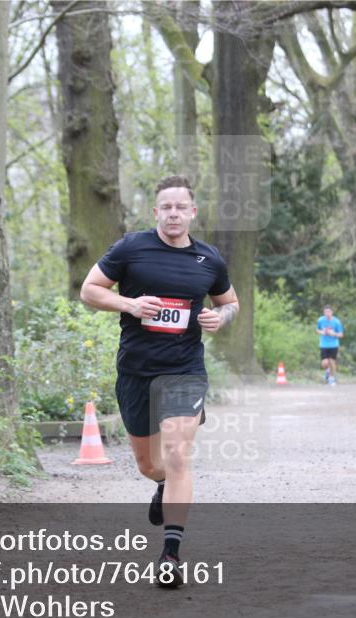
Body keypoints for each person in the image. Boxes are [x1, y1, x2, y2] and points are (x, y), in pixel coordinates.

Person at [79, 174, 239, 588]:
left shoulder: (209, 259)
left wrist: (220, 317)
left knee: (179, 452)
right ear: (156, 212)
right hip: (136, 369)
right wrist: (129, 303)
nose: (173, 214)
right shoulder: (132, 248)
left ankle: (170, 553)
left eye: (180, 207)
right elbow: (90, 290)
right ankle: (163, 484)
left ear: (192, 212)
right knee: (151, 463)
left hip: (185, 369)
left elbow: (231, 302)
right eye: (165, 207)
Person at [316, 305, 344, 385]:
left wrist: (333, 333)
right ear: (323, 313)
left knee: (332, 362)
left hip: (333, 345)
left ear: (332, 312)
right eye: (325, 312)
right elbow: (317, 330)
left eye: (328, 312)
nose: (327, 314)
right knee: (324, 363)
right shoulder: (320, 320)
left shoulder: (336, 322)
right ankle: (327, 371)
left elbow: (341, 335)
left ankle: (331, 378)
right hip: (323, 344)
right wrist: (322, 332)